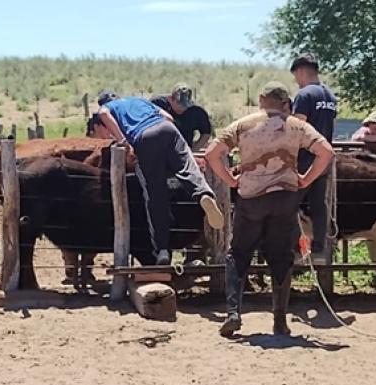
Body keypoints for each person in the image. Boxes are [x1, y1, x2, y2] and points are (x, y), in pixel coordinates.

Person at [204, 82, 335, 338]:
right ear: (286, 102)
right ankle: (279, 321)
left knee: (238, 255)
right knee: (281, 257)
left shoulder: (244, 124)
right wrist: (306, 180)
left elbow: (212, 153)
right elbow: (326, 151)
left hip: (251, 198)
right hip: (285, 197)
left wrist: (230, 181)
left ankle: (233, 313)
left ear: (262, 99)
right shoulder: (297, 125)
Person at [90, 91, 224, 265]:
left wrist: (123, 140)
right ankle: (203, 194)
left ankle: (161, 250)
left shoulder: (108, 107)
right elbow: (168, 117)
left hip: (144, 136)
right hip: (168, 129)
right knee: (187, 167)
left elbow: (103, 114)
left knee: (155, 194)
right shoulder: (138, 100)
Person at [289, 53, 337, 265]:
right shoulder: (330, 96)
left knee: (288, 204)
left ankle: (295, 250)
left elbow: (298, 128)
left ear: (300, 71)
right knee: (319, 204)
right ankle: (319, 249)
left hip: (304, 159)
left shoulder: (304, 95)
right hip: (323, 159)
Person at [149, 84, 213, 151]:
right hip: (159, 149)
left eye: (185, 105)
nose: (182, 108)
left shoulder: (196, 111)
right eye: (179, 104)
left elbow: (206, 133)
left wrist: (193, 151)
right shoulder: (157, 104)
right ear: (170, 99)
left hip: (183, 150)